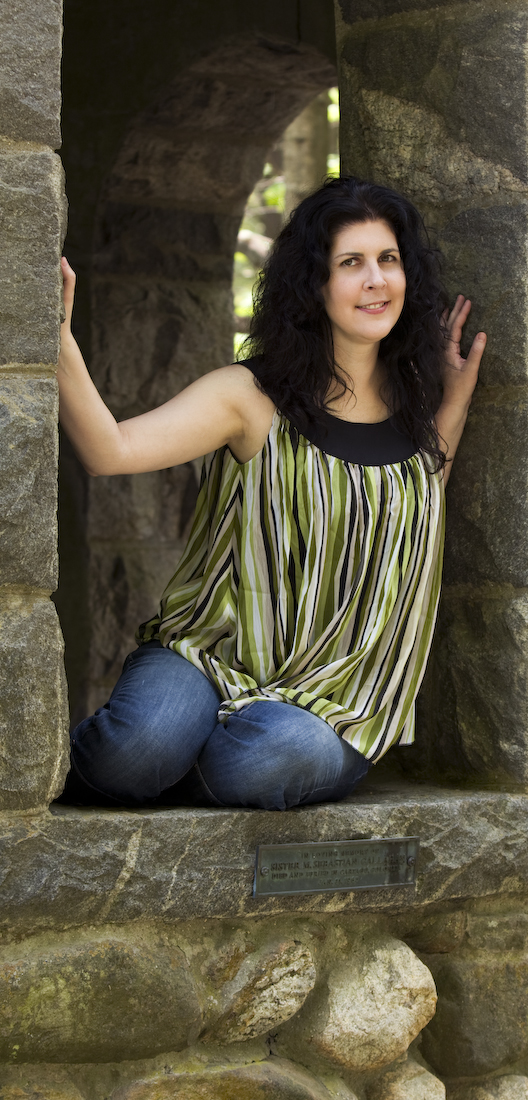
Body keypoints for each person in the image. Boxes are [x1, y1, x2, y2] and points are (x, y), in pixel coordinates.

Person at [58, 176, 486, 810]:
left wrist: (455, 397)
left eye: (388, 260)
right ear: (314, 285)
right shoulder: (249, 397)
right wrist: (57, 339)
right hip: (209, 656)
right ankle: (163, 752)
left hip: (333, 698)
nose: (376, 280)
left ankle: (194, 757)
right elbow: (109, 452)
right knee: (139, 749)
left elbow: (420, 501)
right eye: (351, 263)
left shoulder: (416, 405)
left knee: (268, 759)